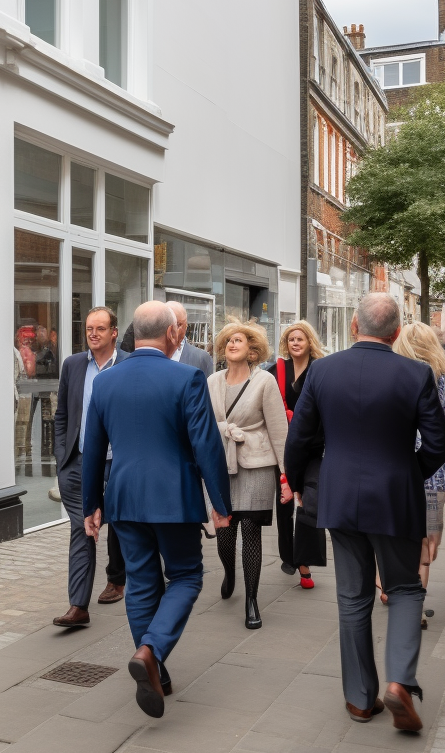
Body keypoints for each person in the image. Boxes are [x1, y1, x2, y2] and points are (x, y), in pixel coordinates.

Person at [285, 293, 445, 733]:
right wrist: (406, 473)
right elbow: (440, 444)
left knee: (352, 596)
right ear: (396, 332)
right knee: (404, 588)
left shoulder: (322, 370)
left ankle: (360, 698)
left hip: (339, 497)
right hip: (395, 498)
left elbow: (299, 437)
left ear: (355, 327)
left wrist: (299, 484)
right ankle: (400, 682)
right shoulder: (416, 373)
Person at [82, 301, 230, 718]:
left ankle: (156, 672)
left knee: (142, 584)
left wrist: (91, 505)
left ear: (130, 333)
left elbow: (93, 449)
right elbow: (206, 445)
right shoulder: (187, 377)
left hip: (124, 500)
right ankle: (151, 651)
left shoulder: (106, 383)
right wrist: (220, 504)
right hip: (174, 500)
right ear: (172, 334)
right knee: (186, 575)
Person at [207, 318, 289, 629]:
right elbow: (202, 427)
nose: (232, 344)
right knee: (225, 536)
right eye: (228, 340)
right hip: (220, 466)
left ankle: (252, 600)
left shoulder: (264, 382)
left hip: (256, 464)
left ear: (252, 350)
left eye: (239, 340)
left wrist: (286, 476)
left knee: (251, 534)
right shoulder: (212, 381)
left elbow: (279, 431)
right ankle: (229, 571)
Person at [51, 307, 129, 627]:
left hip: (118, 463)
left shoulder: (128, 364)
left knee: (125, 527)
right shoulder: (72, 365)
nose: (93, 334)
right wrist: (62, 459)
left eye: (100, 328)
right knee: (82, 530)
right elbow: (61, 416)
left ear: (114, 332)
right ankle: (78, 606)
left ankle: (129, 584)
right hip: (79, 464)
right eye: (88, 329)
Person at [391, 322, 445, 629]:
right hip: (436, 467)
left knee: (398, 532)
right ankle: (416, 602)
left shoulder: (399, 376)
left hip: (403, 462)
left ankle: (396, 589)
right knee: (429, 538)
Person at [267, 320, 326, 588]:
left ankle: (305, 561)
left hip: (312, 447)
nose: (295, 342)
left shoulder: (320, 369)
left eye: (300, 338)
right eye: (291, 339)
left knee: (307, 504)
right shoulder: (277, 370)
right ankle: (289, 557)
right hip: (281, 447)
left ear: (309, 341)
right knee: (283, 505)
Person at [166, 301, 215, 377]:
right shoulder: (151, 355)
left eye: (179, 325)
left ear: (186, 326)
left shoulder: (201, 358)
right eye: (170, 324)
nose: (174, 329)